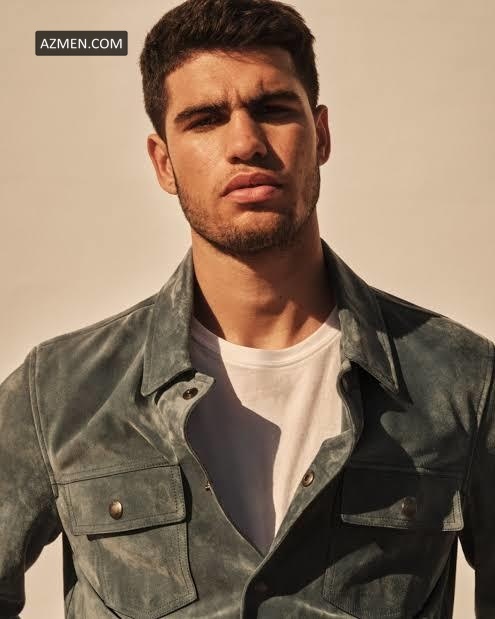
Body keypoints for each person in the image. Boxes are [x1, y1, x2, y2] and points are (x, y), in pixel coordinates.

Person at [0, 0, 493, 617]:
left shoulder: (462, 381)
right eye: (206, 119)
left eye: (273, 109)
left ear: (322, 135)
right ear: (163, 163)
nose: (246, 143)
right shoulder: (61, 390)